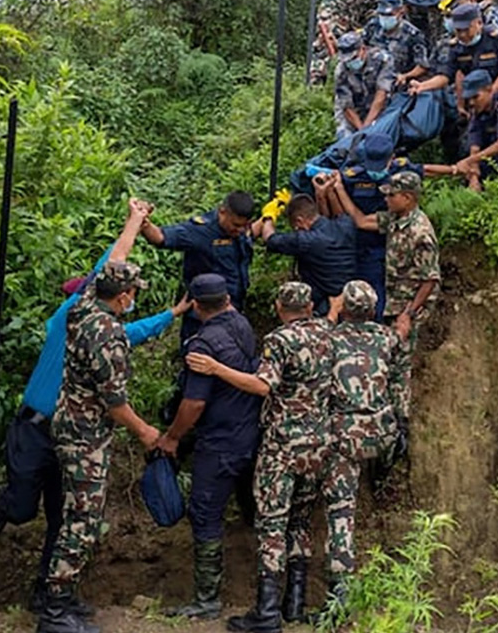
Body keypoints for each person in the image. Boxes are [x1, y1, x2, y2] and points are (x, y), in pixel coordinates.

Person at [0, 228, 179, 615]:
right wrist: (145, 431)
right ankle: (5, 507)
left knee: (63, 518)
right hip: (35, 428)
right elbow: (107, 272)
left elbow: (129, 325)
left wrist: (172, 314)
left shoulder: (93, 321)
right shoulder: (69, 317)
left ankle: (49, 593)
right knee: (27, 507)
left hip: (63, 433)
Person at [39, 202, 161, 633]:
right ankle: (54, 611)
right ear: (124, 297)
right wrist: (147, 432)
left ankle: (64, 600)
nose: (134, 299)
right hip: (86, 435)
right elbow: (115, 404)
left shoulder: (84, 305)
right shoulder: (107, 335)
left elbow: (115, 260)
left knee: (75, 512)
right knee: (83, 520)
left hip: (67, 422)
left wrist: (133, 220)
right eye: (133, 294)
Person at [185, 282, 336, 632]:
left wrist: (216, 368)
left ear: (279, 306)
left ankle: (267, 613)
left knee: (272, 525)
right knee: (299, 522)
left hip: (283, 447)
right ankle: (294, 605)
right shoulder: (328, 333)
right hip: (318, 444)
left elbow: (262, 385)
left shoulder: (279, 340)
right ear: (310, 306)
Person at [157, 274, 262, 622]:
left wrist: (172, 437)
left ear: (197, 305)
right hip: (250, 435)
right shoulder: (243, 326)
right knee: (253, 509)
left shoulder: (203, 345)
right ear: (227, 299)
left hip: (219, 442)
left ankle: (207, 599)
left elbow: (194, 404)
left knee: (204, 513)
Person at [310, 280, 405, 615]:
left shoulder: (329, 339)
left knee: (340, 513)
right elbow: (399, 383)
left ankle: (340, 598)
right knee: (391, 447)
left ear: (346, 308)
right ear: (374, 309)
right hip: (381, 430)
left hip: (343, 436)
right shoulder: (388, 338)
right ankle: (381, 478)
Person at [327, 170, 439, 402]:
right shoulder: (395, 218)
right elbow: (359, 220)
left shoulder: (421, 233)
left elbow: (430, 279)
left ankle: (400, 422)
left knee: (399, 368)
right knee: (389, 360)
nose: (386, 199)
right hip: (393, 303)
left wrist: (408, 314)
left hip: (407, 308)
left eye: (391, 195)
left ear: (407, 198)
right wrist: (338, 188)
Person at [318, 133, 423, 320]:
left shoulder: (401, 172)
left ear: (391, 157)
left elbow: (425, 169)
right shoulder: (352, 176)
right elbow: (340, 215)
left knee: (379, 300)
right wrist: (332, 191)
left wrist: (457, 169)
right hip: (358, 246)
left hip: (386, 246)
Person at [140, 191, 254, 342]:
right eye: (236, 225)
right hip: (202, 317)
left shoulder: (238, 232)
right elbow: (161, 237)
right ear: (223, 212)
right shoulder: (200, 231)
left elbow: (250, 236)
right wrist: (143, 222)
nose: (240, 230)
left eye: (244, 226)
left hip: (233, 310)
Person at [411, 3, 498, 121]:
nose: (463, 35)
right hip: (480, 103)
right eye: (458, 30)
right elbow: (447, 76)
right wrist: (423, 86)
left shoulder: (497, 39)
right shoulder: (456, 47)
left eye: (467, 30)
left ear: (479, 23)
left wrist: (490, 95)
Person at [258, 193, 358, 317]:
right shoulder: (346, 225)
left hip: (323, 307)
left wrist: (269, 217)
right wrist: (324, 192)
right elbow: (340, 214)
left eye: (296, 226)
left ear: (300, 221)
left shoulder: (307, 240)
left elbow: (270, 239)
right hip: (350, 301)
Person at [332, 32, 397, 137]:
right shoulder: (341, 70)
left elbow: (381, 95)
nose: (350, 62)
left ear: (362, 49)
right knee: (345, 139)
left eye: (353, 58)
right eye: (347, 60)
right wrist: (361, 130)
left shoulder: (383, 60)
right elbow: (346, 106)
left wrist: (368, 125)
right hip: (354, 111)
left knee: (383, 140)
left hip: (380, 108)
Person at [362, 0, 431, 86]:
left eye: (389, 14)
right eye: (381, 14)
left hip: (397, 82)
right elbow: (361, 47)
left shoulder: (412, 35)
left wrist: (405, 76)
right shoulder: (373, 26)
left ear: (401, 11)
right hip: (371, 78)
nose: (384, 18)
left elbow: (422, 66)